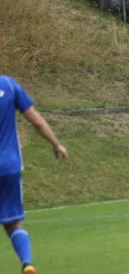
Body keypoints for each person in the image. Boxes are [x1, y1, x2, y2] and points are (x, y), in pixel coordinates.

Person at [0, 76, 68, 274]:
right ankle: (27, 263)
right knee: (13, 222)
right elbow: (37, 122)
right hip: (9, 166)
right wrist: (56, 143)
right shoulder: (9, 86)